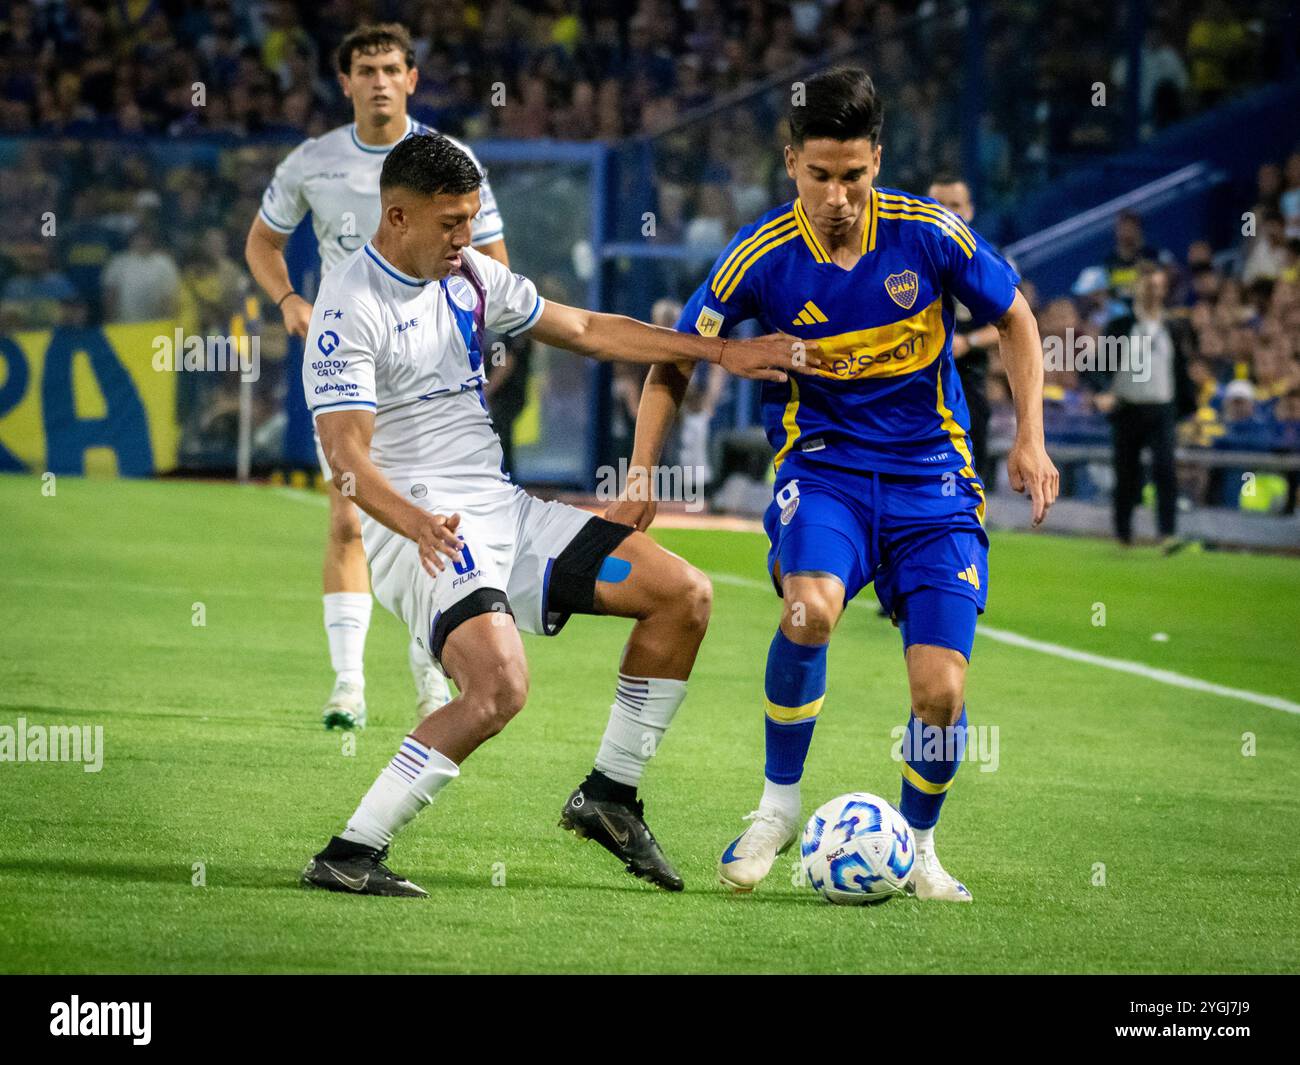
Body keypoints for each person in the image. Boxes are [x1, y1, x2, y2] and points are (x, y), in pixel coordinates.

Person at [298, 133, 815, 897]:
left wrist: (716, 353)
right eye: (450, 223)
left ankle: (609, 793)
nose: (465, 237)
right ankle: (348, 853)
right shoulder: (349, 307)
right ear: (397, 215)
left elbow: (584, 329)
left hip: (503, 513)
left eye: (471, 218)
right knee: (499, 686)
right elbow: (347, 459)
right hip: (422, 536)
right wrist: (415, 524)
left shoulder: (470, 274)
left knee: (683, 595)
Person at [608, 68, 1058, 902]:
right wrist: (644, 475)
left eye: (854, 175)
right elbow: (675, 354)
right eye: (821, 175)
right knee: (809, 608)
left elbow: (1017, 317)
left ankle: (918, 844)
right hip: (826, 473)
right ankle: (778, 805)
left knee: (941, 692)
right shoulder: (763, 257)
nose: (839, 195)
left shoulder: (929, 236)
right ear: (791, 164)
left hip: (937, 486)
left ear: (877, 161)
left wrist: (1029, 435)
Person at [244, 23, 509, 731]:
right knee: (348, 509)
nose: (380, 81)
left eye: (393, 68)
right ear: (346, 82)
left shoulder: (450, 160)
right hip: (352, 360)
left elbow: (494, 260)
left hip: (434, 361)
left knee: (437, 514)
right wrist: (290, 300)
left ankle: (429, 674)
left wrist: (487, 344)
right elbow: (262, 240)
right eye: (366, 69)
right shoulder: (314, 162)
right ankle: (348, 685)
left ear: (413, 79)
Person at [1093, 262, 1197, 550]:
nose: (1152, 291)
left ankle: (1168, 532)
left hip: (1162, 409)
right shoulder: (1121, 326)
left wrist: (1189, 409)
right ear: (1137, 287)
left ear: (1164, 289)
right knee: (1126, 472)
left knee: (1165, 469)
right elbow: (1098, 366)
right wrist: (1104, 392)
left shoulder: (1173, 328)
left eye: (1157, 286)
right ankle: (1123, 533)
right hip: (1128, 407)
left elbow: (1181, 371)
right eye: (1147, 285)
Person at [928, 174, 1003, 485]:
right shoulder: (902, 259)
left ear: (970, 211)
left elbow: (1010, 326)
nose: (947, 213)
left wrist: (967, 341)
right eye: (938, 205)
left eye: (955, 206)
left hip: (966, 376)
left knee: (971, 470)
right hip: (911, 380)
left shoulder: (986, 261)